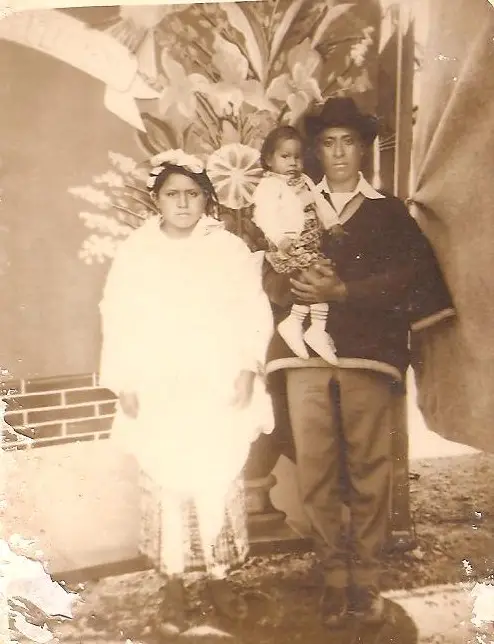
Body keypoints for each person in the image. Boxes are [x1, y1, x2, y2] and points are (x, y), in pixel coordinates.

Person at [262, 97, 455, 627]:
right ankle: (332, 577)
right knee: (317, 469)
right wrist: (293, 282)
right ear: (316, 150)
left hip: (367, 355)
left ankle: (366, 578)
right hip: (304, 357)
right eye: (328, 142)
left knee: (370, 468)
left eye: (350, 141)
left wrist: (344, 290)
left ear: (365, 148)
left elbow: (411, 281)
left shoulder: (390, 213)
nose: (340, 152)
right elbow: (270, 273)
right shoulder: (288, 203)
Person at [98, 149, 275, 632]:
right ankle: (174, 581)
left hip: (214, 381)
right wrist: (125, 380)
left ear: (207, 199)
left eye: (192, 194)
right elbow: (117, 315)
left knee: (215, 478)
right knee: (169, 484)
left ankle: (219, 578)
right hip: (161, 384)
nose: (182, 203)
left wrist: (246, 367)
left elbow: (252, 311)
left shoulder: (229, 250)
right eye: (172, 194)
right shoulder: (137, 251)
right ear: (156, 198)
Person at [252, 125, 342, 364]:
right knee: (311, 277)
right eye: (285, 156)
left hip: (310, 244)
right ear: (269, 160)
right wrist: (280, 239)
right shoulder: (269, 186)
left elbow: (320, 203)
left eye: (297, 157)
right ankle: (301, 326)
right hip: (288, 246)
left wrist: (332, 222)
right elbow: (264, 216)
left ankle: (310, 327)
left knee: (322, 274)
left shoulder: (305, 181)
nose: (292, 162)